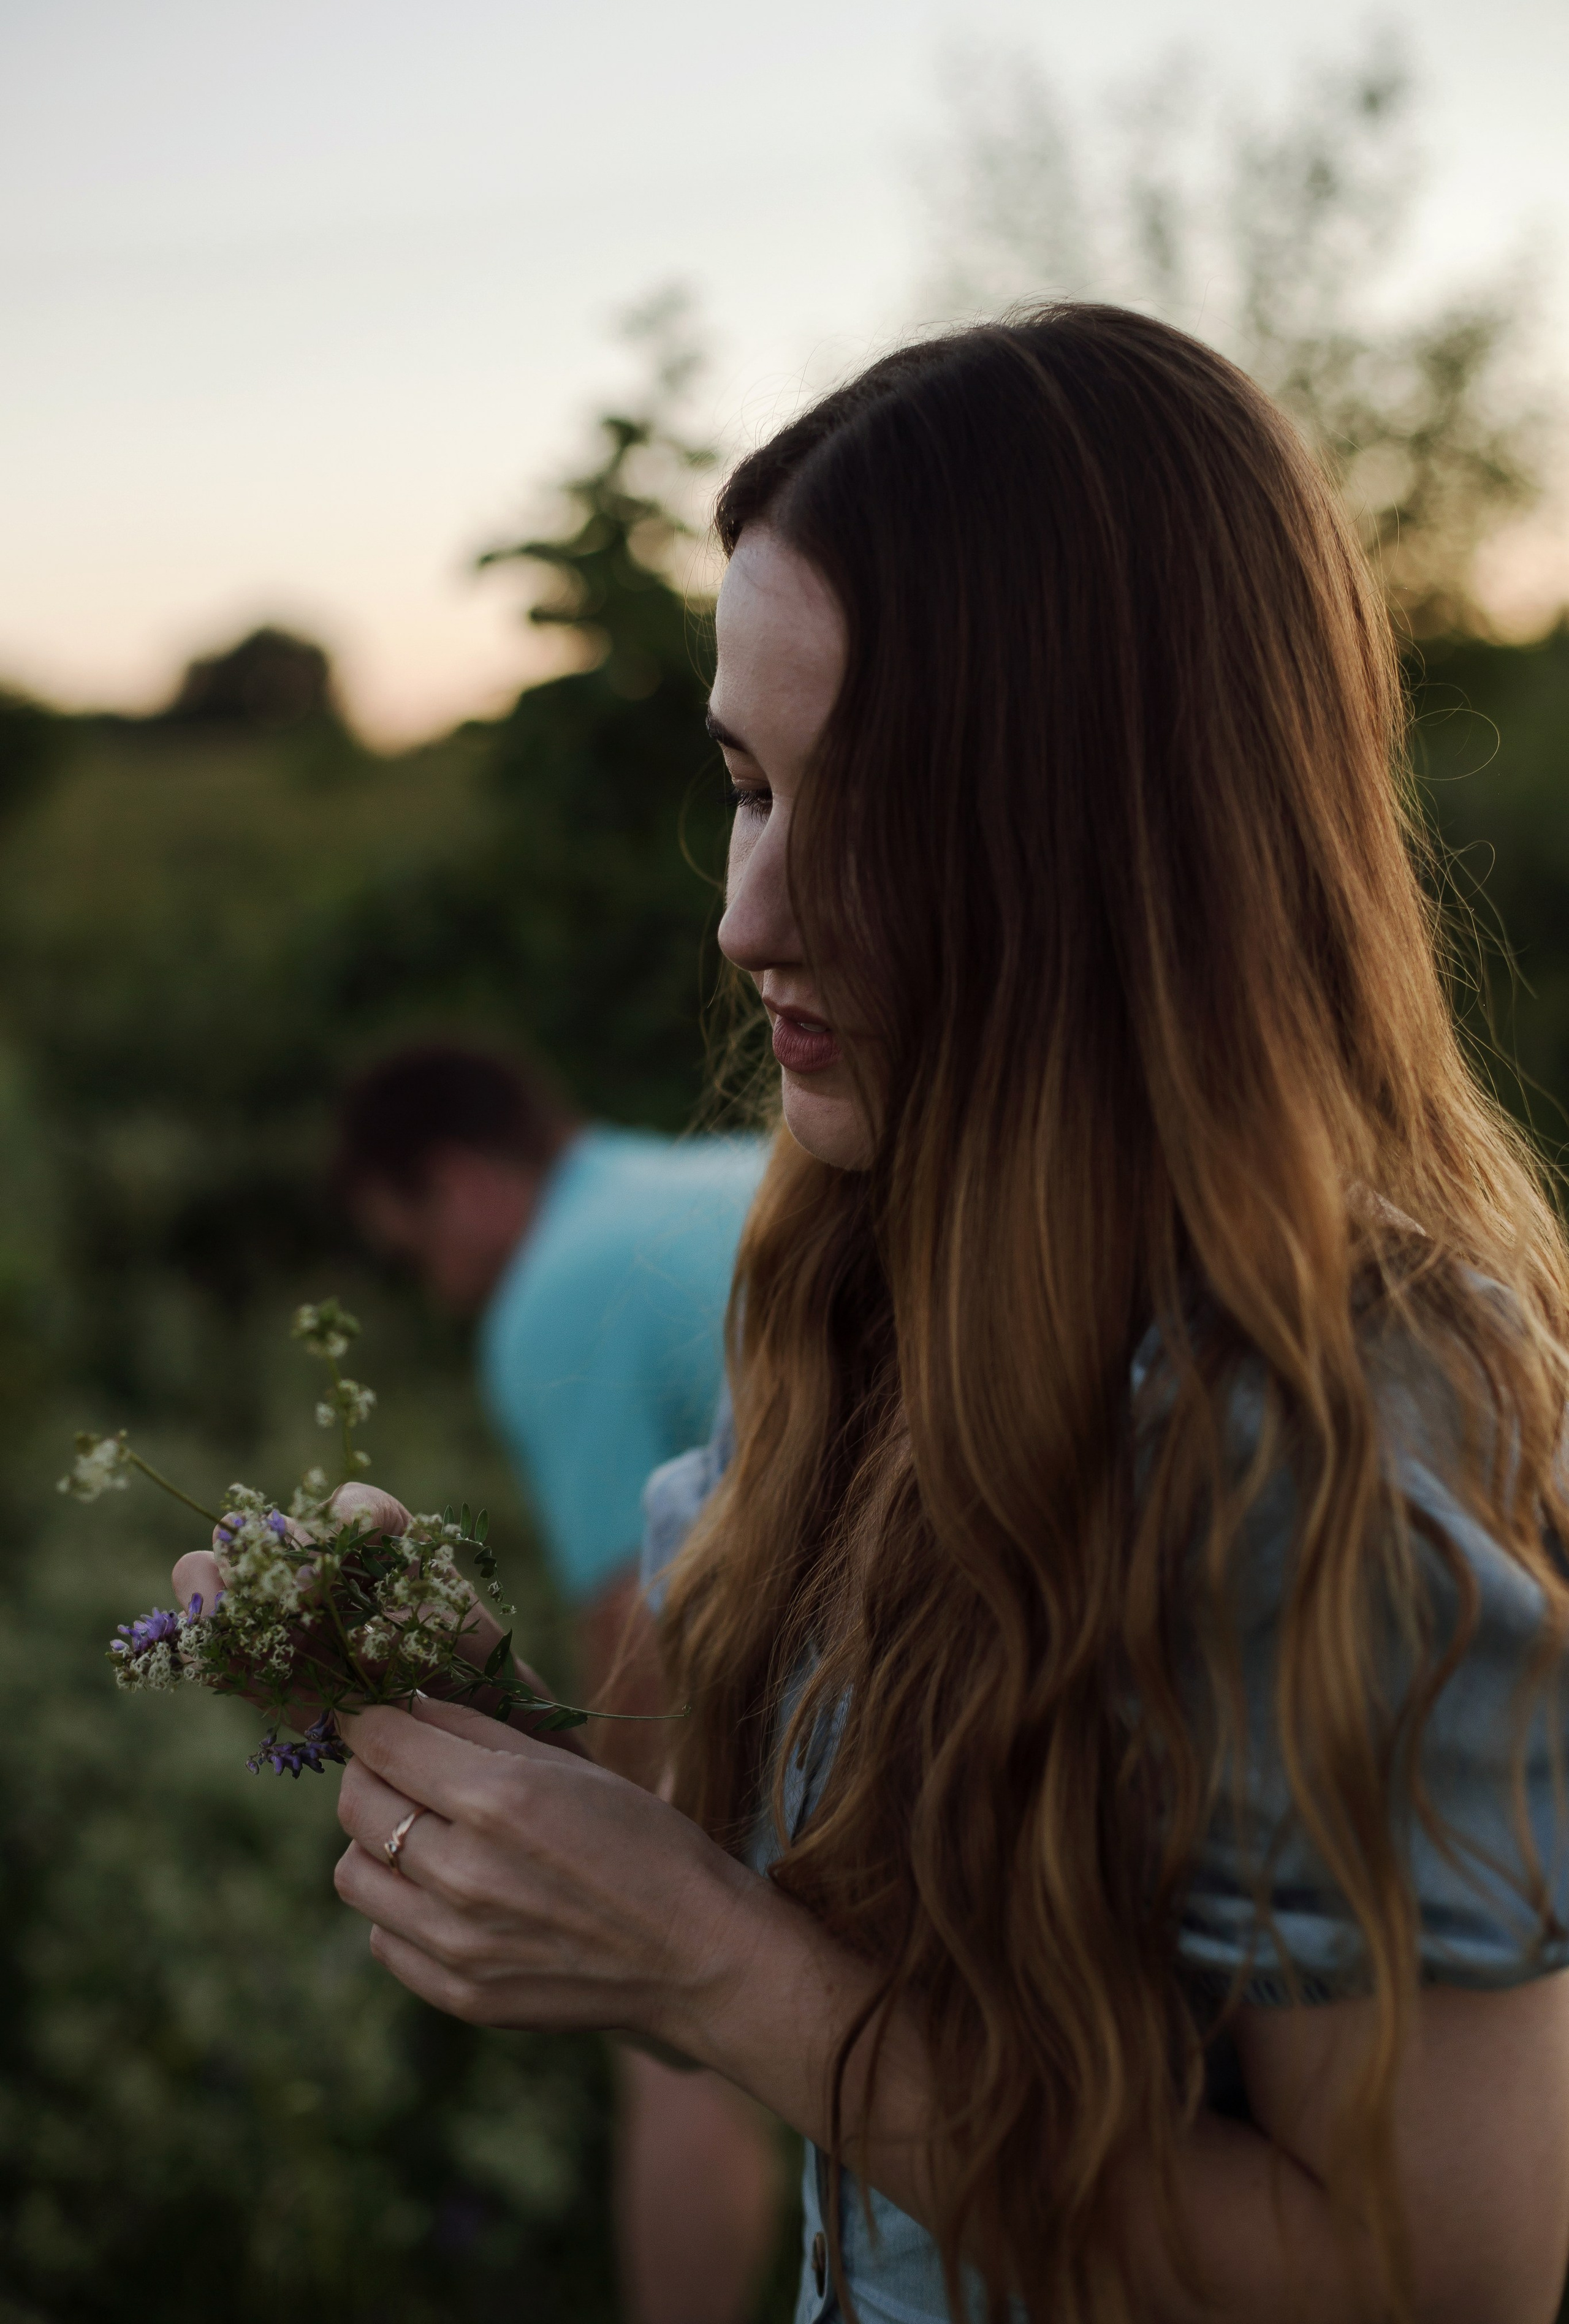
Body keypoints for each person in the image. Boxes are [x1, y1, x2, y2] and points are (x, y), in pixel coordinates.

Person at [178, 306, 1569, 2323]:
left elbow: (1438, 2286)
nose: (749, 912)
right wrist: (526, 1770)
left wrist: (709, 1966)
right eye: (747, 785)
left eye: (877, 804)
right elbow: (825, 1986)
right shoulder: (855, 1283)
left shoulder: (1330, 1403)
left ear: (1129, 835)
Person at [333, 1043, 779, 2324]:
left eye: (415, 1250)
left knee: (681, 2050)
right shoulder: (702, 1176)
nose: (441, 1290)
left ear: (463, 1187)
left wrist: (636, 1860)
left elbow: (624, 1615)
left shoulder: (555, 1293)